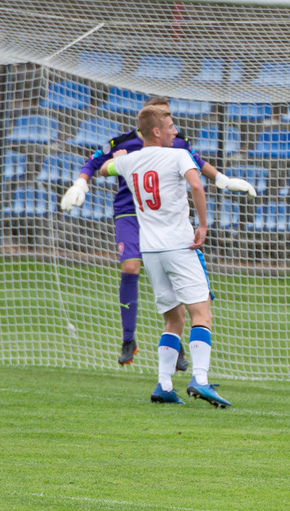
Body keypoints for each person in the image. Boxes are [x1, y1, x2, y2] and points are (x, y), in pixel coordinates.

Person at [60, 97, 257, 367]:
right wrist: (80, 184)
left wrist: (224, 180)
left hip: (163, 220)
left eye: (170, 119)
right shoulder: (123, 142)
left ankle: (176, 346)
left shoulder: (177, 144)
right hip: (130, 213)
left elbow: (198, 163)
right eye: (165, 119)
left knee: (172, 277)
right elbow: (95, 164)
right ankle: (128, 339)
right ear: (152, 124)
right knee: (130, 267)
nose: (172, 127)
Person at [101, 105, 229, 407]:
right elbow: (196, 184)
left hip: (151, 251)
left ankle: (164, 384)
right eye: (170, 126)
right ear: (157, 131)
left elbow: (104, 169)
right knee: (202, 313)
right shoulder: (177, 155)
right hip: (179, 246)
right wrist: (203, 226)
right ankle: (200, 380)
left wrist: (115, 158)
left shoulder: (129, 161)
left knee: (174, 319)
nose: (175, 131)